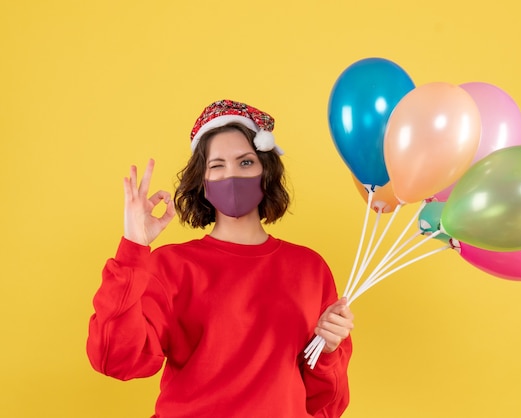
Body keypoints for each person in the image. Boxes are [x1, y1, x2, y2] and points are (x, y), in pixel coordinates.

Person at [86, 100, 354, 417]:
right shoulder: (170, 266)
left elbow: (325, 405)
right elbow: (115, 360)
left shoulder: (311, 269)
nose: (232, 175)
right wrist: (133, 246)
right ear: (202, 181)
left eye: (245, 163)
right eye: (217, 165)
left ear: (266, 171)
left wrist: (329, 350)